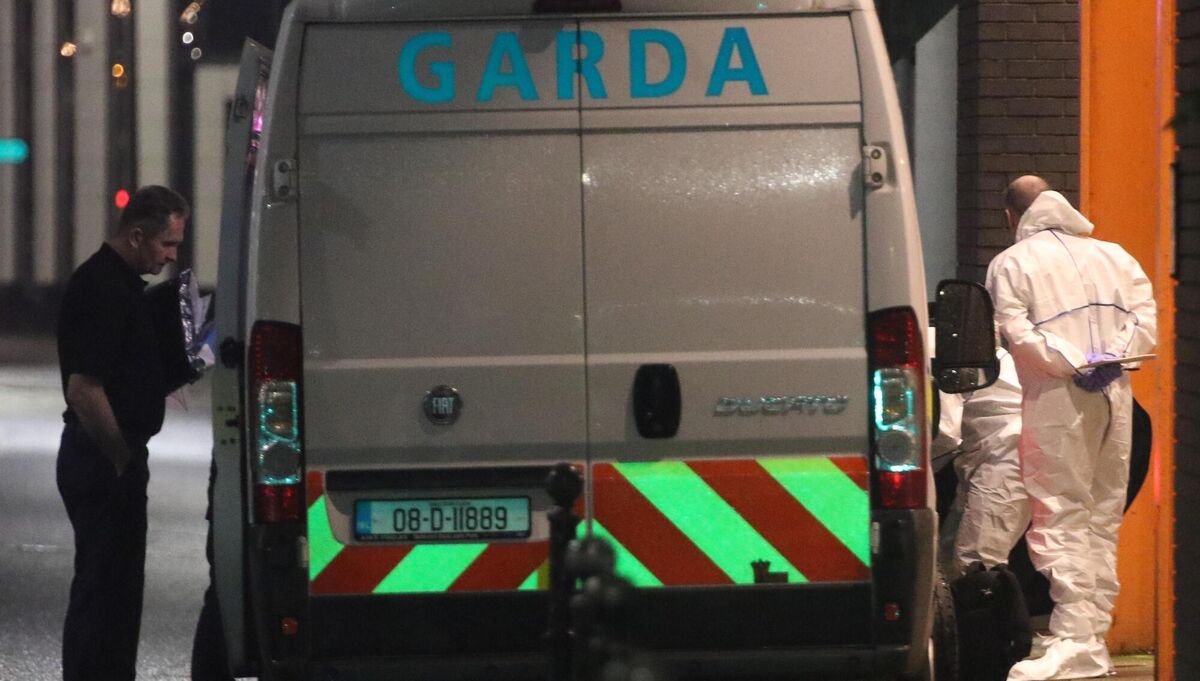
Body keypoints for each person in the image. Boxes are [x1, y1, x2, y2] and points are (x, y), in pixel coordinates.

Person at [986, 176, 1156, 681]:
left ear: (1011, 217)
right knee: (1102, 515)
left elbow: (1016, 331)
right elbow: (1145, 321)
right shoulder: (1116, 256)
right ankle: (1089, 636)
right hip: (1117, 393)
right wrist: (1107, 359)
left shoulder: (1012, 264)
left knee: (1058, 512)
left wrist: (1072, 362)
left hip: (1058, 398)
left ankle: (1075, 637)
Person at [56, 185, 189, 681]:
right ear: (136, 235)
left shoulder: (120, 287)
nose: (172, 257)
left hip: (108, 457)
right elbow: (84, 390)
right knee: (103, 595)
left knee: (116, 593)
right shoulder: (103, 291)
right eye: (166, 246)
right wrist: (120, 457)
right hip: (101, 460)